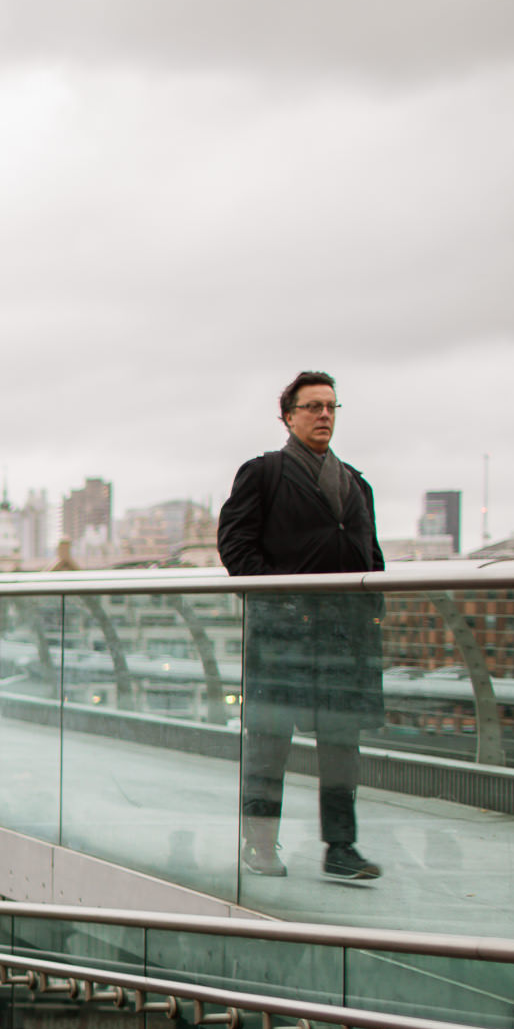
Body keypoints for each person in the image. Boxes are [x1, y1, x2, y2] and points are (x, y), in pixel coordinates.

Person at [217, 371, 385, 884]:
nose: (324, 415)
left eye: (331, 406)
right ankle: (260, 845)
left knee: (342, 746)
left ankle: (341, 847)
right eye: (313, 406)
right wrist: (282, 597)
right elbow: (235, 548)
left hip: (342, 641)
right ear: (288, 416)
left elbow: (371, 557)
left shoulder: (357, 483)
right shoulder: (263, 474)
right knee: (270, 742)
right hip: (281, 638)